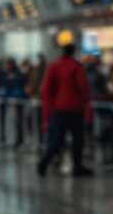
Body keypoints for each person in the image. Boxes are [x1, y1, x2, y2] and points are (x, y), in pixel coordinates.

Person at [37, 44, 94, 177]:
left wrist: (48, 110)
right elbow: (83, 88)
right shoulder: (76, 66)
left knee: (56, 140)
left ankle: (43, 163)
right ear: (73, 52)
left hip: (58, 109)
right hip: (75, 109)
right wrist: (86, 105)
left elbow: (46, 88)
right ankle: (77, 167)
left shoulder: (53, 65)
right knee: (77, 140)